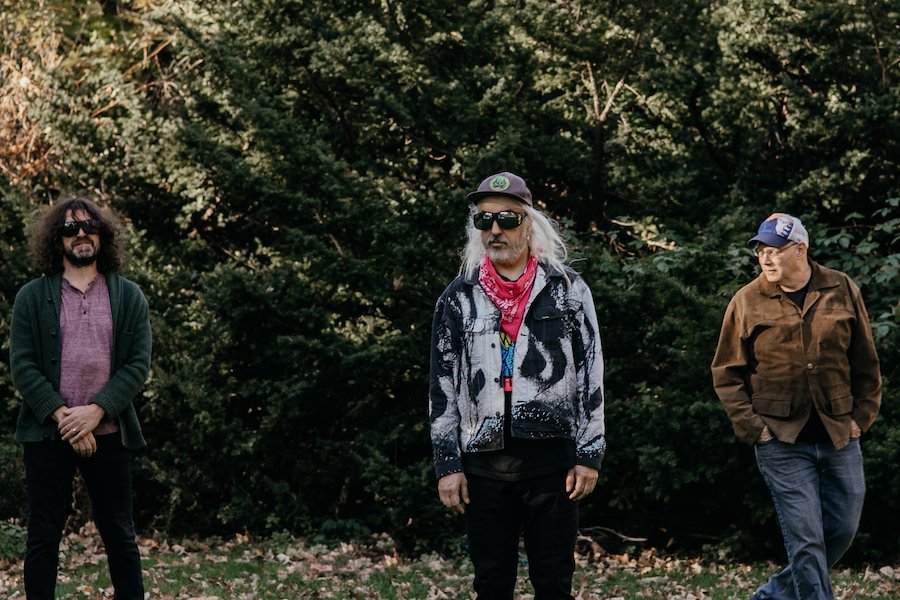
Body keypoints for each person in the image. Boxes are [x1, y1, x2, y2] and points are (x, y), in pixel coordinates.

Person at [429, 172, 606, 599]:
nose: (495, 229)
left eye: (507, 218)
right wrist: (447, 464)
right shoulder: (458, 297)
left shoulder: (568, 290)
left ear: (529, 224)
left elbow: (592, 374)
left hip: (552, 463)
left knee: (553, 583)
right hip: (483, 465)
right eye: (484, 219)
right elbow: (442, 387)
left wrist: (589, 454)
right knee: (491, 584)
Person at [711, 213, 881, 600]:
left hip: (839, 434)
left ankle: (772, 595)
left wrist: (860, 418)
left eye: (775, 251)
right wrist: (755, 429)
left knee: (842, 529)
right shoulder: (746, 300)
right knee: (806, 539)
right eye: (761, 252)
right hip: (780, 439)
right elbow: (726, 373)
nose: (766, 259)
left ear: (800, 250)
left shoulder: (841, 288)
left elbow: (867, 364)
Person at [10, 195, 151, 599]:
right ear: (58, 238)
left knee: (119, 533)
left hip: (108, 432)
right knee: (43, 535)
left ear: (102, 235)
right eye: (70, 228)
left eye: (90, 226)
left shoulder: (129, 296)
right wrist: (64, 418)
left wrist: (96, 412)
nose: (81, 234)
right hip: (48, 434)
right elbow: (23, 366)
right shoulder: (31, 297)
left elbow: (137, 365)